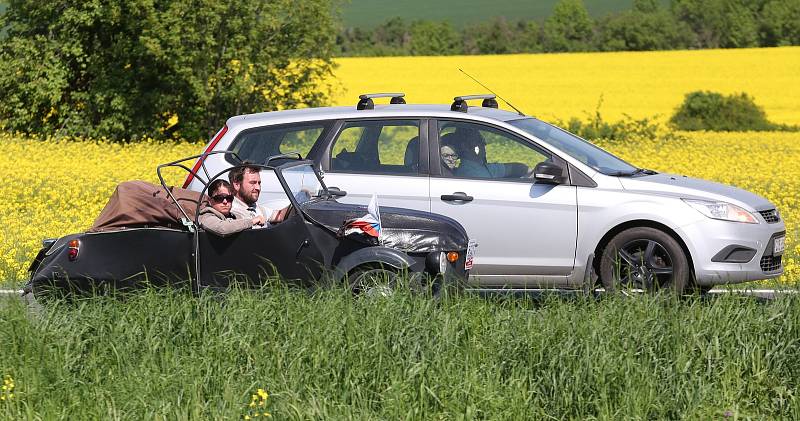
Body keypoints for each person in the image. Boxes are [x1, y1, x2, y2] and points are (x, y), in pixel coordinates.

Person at [228, 162, 290, 227]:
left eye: (259, 183)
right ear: (237, 185)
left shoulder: (255, 207)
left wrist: (300, 199)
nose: (258, 188)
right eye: (252, 183)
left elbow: (279, 216)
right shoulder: (232, 211)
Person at [198, 179, 264, 236]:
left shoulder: (236, 216)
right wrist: (252, 221)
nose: (225, 201)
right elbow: (223, 229)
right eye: (219, 198)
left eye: (229, 198)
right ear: (210, 201)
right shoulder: (206, 217)